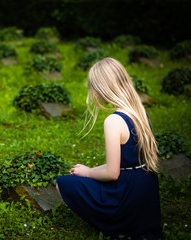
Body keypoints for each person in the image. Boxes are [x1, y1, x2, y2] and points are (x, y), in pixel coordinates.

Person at [56, 57, 163, 239]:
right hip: (145, 192)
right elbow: (125, 166)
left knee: (63, 183)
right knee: (83, 175)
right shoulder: (139, 112)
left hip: (126, 196)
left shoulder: (114, 120)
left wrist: (88, 173)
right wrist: (89, 169)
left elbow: (113, 173)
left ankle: (113, 224)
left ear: (102, 88)